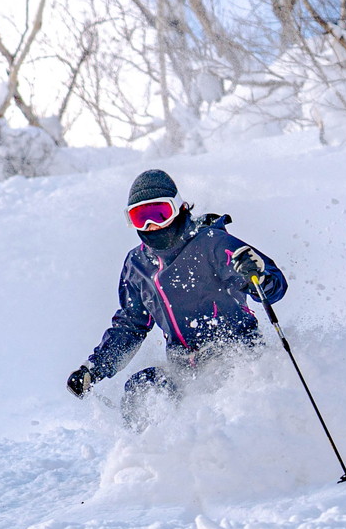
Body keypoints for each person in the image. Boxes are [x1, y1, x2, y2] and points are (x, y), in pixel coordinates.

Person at [66, 169, 288, 430]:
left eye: (159, 214)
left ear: (179, 207)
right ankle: (149, 460)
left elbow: (274, 288)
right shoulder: (137, 265)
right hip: (185, 369)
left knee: (223, 415)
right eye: (141, 217)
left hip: (237, 358)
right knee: (143, 388)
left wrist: (258, 273)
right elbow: (130, 325)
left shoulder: (211, 243)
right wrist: (95, 369)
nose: (152, 226)